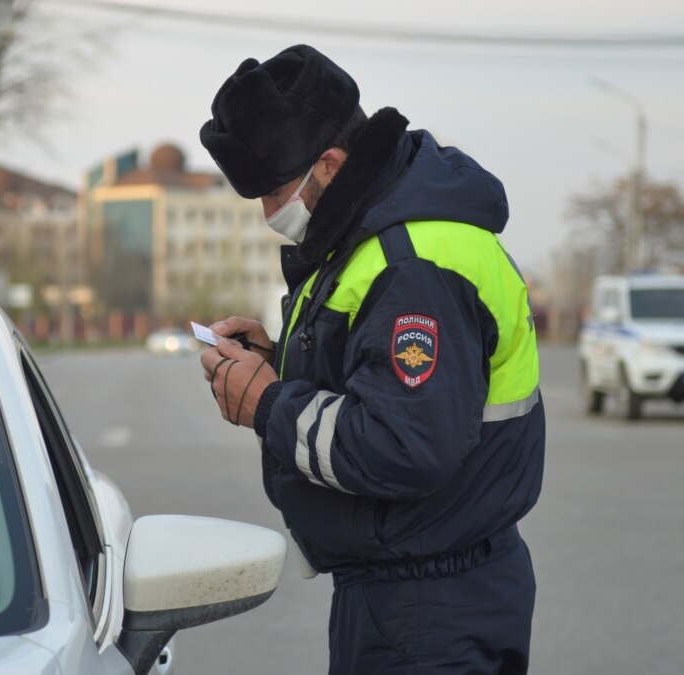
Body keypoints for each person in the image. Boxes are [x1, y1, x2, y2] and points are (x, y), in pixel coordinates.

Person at [197, 44, 545, 674]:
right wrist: (277, 364)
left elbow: (403, 445)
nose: (269, 213)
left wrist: (268, 403)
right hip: (411, 587)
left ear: (328, 164)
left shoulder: (414, 264)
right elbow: (383, 384)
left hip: (431, 606)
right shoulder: (378, 235)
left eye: (274, 192)